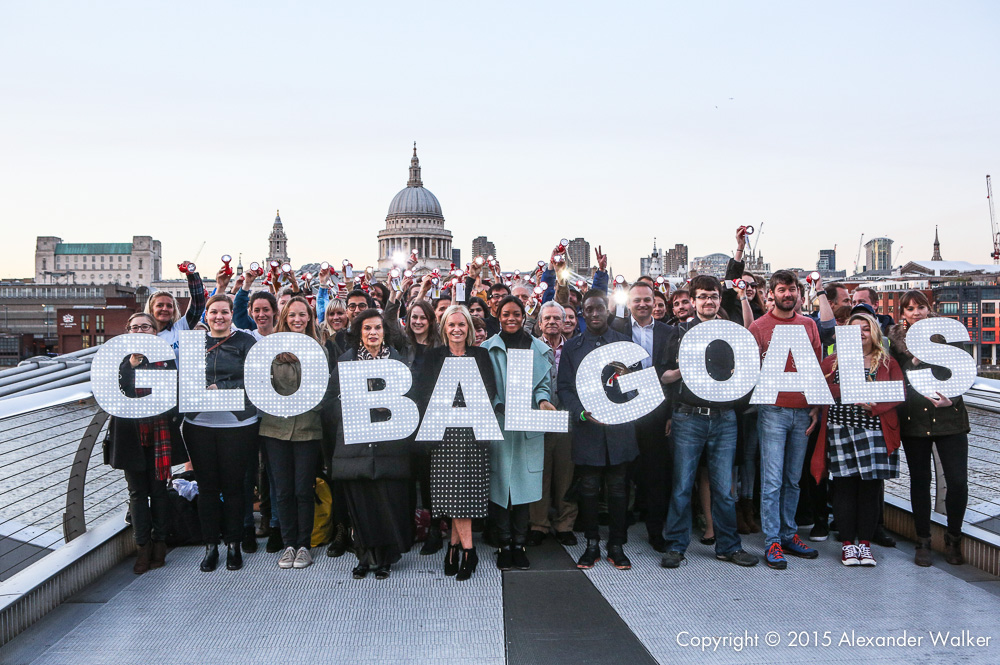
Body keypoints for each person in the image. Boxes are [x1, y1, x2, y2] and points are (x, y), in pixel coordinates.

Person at [659, 276, 758, 569]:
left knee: (724, 488)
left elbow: (747, 372)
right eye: (702, 296)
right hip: (688, 416)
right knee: (682, 485)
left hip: (725, 417)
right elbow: (662, 375)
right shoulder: (680, 332)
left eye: (713, 296)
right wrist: (683, 371)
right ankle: (676, 546)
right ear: (693, 300)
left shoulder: (733, 333)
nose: (708, 301)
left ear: (719, 299)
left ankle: (728, 546)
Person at [810, 313, 903, 567]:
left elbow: (898, 392)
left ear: (873, 332)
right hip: (840, 430)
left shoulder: (887, 362)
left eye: (865, 329)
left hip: (875, 432)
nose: (860, 333)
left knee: (870, 490)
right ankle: (848, 545)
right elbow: (820, 388)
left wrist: (874, 404)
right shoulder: (832, 362)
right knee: (844, 488)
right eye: (854, 329)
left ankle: (865, 544)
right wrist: (851, 391)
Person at [888, 290, 970, 566]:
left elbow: (964, 369)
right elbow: (893, 375)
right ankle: (922, 540)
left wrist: (953, 397)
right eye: (909, 309)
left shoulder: (949, 334)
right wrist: (912, 360)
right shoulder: (894, 342)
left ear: (929, 308)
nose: (916, 312)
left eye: (920, 307)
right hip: (914, 418)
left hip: (950, 417)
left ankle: (953, 537)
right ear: (903, 314)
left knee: (957, 481)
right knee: (920, 481)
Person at [329, 309, 413, 579]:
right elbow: (330, 401)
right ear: (360, 333)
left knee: (387, 502)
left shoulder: (399, 363)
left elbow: (412, 401)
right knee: (361, 504)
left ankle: (385, 557)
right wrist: (351, 410)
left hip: (389, 445)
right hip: (355, 446)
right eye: (367, 328)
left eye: (378, 328)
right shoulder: (346, 361)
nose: (373, 333)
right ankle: (364, 555)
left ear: (385, 332)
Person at [415, 305, 498, 581]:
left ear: (470, 329)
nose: (457, 329)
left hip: (473, 433)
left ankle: (457, 547)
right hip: (444, 433)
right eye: (451, 324)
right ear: (444, 328)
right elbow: (424, 393)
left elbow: (490, 390)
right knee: (452, 493)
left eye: (462, 324)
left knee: (464, 493)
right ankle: (466, 550)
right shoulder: (433, 356)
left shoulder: (481, 355)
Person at [558, 291, 638, 570]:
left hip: (619, 431)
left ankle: (617, 545)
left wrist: (625, 409)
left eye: (599, 309)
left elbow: (636, 387)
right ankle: (591, 544)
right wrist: (580, 412)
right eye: (588, 309)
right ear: (582, 312)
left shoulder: (625, 343)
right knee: (589, 490)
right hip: (587, 429)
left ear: (609, 310)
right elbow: (565, 388)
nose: (594, 314)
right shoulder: (572, 347)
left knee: (618, 490)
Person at [748, 270, 822, 569]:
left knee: (793, 479)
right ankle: (772, 541)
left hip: (803, 410)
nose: (787, 294)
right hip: (773, 411)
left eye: (792, 289)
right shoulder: (759, 327)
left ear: (798, 294)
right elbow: (751, 370)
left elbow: (816, 365)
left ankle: (789, 534)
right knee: (772, 480)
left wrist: (815, 405)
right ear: (771, 294)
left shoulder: (809, 325)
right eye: (781, 289)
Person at [105, 312, 189, 574]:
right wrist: (131, 365)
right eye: (135, 327)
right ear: (128, 331)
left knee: (159, 491)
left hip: (159, 434)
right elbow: (116, 393)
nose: (141, 331)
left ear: (155, 332)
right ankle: (142, 547)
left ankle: (160, 543)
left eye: (146, 327)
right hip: (131, 436)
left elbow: (177, 395)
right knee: (137, 493)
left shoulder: (166, 360)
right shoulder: (119, 362)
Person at [181, 294, 258, 572]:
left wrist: (222, 389)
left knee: (235, 487)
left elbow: (257, 381)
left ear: (231, 315)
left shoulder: (245, 342)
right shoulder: (194, 343)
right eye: (214, 312)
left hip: (238, 425)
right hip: (199, 424)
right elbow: (183, 379)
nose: (219, 317)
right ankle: (211, 545)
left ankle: (234, 545)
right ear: (206, 316)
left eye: (224, 312)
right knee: (208, 488)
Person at [482, 295, 557, 570]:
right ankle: (504, 544)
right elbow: (484, 388)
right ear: (498, 316)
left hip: (528, 426)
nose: (511, 318)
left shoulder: (539, 348)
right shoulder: (486, 348)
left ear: (525, 316)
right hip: (500, 426)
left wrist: (543, 401)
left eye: (516, 313)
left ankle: (519, 544)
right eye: (505, 314)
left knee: (524, 490)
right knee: (501, 488)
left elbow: (543, 386)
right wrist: (499, 405)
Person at [258, 296, 328, 570]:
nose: (298, 319)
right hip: (275, 429)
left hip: (308, 429)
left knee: (303, 489)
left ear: (310, 318)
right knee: (283, 490)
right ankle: (288, 544)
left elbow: (323, 391)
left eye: (303, 315)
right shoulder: (271, 352)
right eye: (292, 315)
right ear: (284, 318)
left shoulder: (319, 350)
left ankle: (304, 545)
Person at [611, 283, 676, 552]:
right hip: (624, 410)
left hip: (656, 410)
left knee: (656, 475)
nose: (642, 304)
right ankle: (620, 528)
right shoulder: (616, 330)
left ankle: (655, 531)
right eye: (637, 300)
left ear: (655, 302)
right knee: (622, 472)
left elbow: (671, 375)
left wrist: (670, 413)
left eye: (647, 300)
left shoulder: (669, 332)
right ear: (629, 303)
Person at [527, 301, 578, 547]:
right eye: (546, 318)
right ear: (539, 323)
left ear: (565, 322)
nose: (552, 322)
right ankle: (539, 524)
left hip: (567, 419)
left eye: (557, 318)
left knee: (566, 475)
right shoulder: (532, 347)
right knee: (541, 473)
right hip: (539, 418)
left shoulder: (575, 348)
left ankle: (565, 524)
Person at [146, 268, 206, 360]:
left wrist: (191, 275)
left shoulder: (180, 327)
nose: (165, 309)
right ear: (151, 309)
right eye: (160, 305)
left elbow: (198, 305)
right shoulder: (142, 332)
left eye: (169, 306)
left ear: (174, 310)